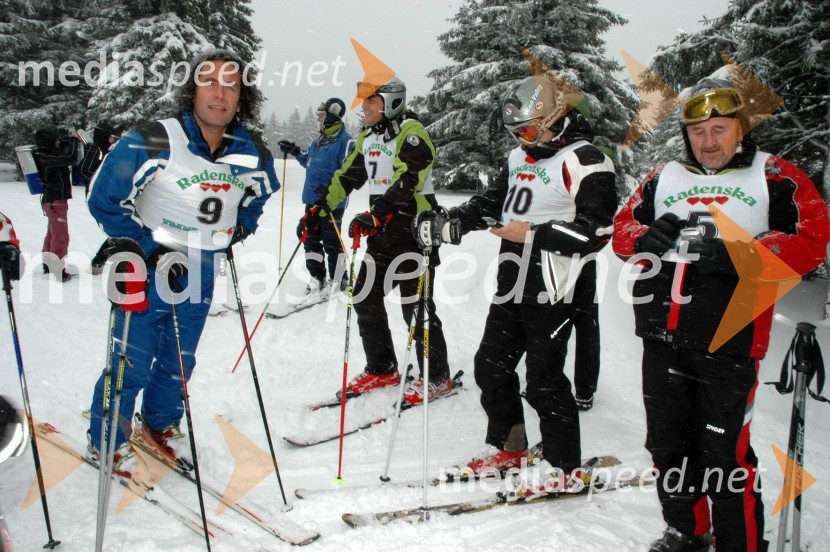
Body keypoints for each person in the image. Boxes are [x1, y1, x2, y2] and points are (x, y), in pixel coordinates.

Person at [613, 76, 829, 552]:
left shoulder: (773, 174)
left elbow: (813, 239)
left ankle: (740, 543)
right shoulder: (663, 175)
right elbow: (622, 227)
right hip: (661, 335)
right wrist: (640, 240)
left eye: (720, 129)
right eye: (698, 132)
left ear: (740, 128)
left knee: (724, 456)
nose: (708, 142)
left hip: (729, 339)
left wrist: (741, 254)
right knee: (669, 447)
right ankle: (687, 531)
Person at [85, 48, 279, 476]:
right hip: (146, 267)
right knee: (131, 359)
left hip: (202, 268)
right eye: (209, 81)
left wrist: (241, 224)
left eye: (231, 85)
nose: (220, 93)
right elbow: (105, 198)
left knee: (179, 359)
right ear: (192, 90)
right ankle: (106, 438)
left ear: (242, 98)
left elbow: (261, 191)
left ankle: (159, 424)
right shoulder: (156, 136)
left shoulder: (252, 150)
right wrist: (148, 247)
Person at [433, 72, 617, 481]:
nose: (524, 140)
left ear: (560, 119)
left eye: (532, 129)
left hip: (557, 281)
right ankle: (509, 446)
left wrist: (533, 233)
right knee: (490, 366)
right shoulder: (521, 157)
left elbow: (598, 230)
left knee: (544, 381)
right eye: (517, 132)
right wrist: (454, 221)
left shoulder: (585, 160)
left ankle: (563, 465)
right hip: (513, 274)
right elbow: (493, 203)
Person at [298, 76, 452, 405]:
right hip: (383, 234)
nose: (364, 106)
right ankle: (382, 367)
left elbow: (409, 178)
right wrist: (318, 210)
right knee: (364, 295)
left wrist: (377, 212)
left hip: (415, 233)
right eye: (364, 100)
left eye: (371, 100)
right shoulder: (368, 137)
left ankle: (437, 376)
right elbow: (347, 176)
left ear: (391, 102)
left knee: (417, 308)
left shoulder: (411, 132)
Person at [278, 98, 352, 294]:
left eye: (322, 114)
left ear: (331, 115)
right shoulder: (319, 140)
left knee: (331, 241)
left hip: (332, 202)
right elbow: (310, 162)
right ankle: (317, 278)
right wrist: (295, 151)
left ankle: (340, 280)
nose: (318, 118)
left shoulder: (345, 141)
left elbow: (347, 173)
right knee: (309, 238)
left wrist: (329, 189)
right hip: (312, 199)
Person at [35, 127, 80, 282]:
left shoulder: (46, 154)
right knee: (60, 235)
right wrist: (74, 140)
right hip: (55, 200)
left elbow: (63, 152)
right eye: (56, 140)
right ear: (49, 142)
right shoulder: (45, 157)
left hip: (54, 200)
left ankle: (48, 263)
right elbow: (70, 157)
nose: (58, 142)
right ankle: (57, 268)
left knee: (53, 233)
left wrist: (68, 140)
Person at [78, 122, 121, 275]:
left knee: (118, 229)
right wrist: (100, 183)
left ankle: (102, 261)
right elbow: (84, 169)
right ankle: (99, 261)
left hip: (107, 196)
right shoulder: (96, 149)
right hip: (98, 197)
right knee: (117, 229)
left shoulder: (107, 150)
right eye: (111, 137)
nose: (112, 140)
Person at [569, 258, 600, 411]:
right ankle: (541, 380)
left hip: (580, 257)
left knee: (586, 323)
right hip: (550, 257)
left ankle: (585, 390)